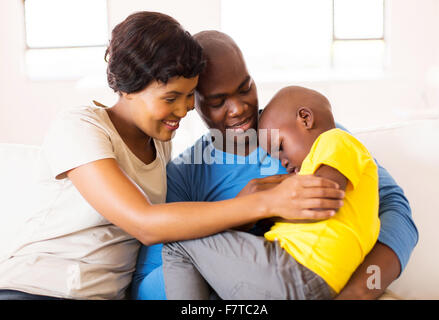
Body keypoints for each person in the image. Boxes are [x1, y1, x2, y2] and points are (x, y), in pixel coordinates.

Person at [0, 13, 343, 300]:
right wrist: (261, 204)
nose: (184, 109)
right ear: (127, 89)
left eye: (190, 95)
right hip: (35, 289)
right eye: (171, 97)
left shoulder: (163, 144)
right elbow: (144, 223)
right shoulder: (79, 128)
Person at [132, 30, 418, 300]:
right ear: (193, 103)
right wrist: (240, 216)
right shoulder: (186, 175)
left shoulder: (310, 135)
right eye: (218, 101)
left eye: (245, 88)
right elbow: (146, 283)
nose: (239, 108)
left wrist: (360, 291)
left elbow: (395, 210)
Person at [162, 85, 381, 299]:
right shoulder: (332, 171)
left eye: (280, 148)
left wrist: (259, 207)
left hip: (293, 270)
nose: (283, 162)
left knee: (178, 241)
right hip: (308, 281)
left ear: (305, 118)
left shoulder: (335, 140)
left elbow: (318, 203)